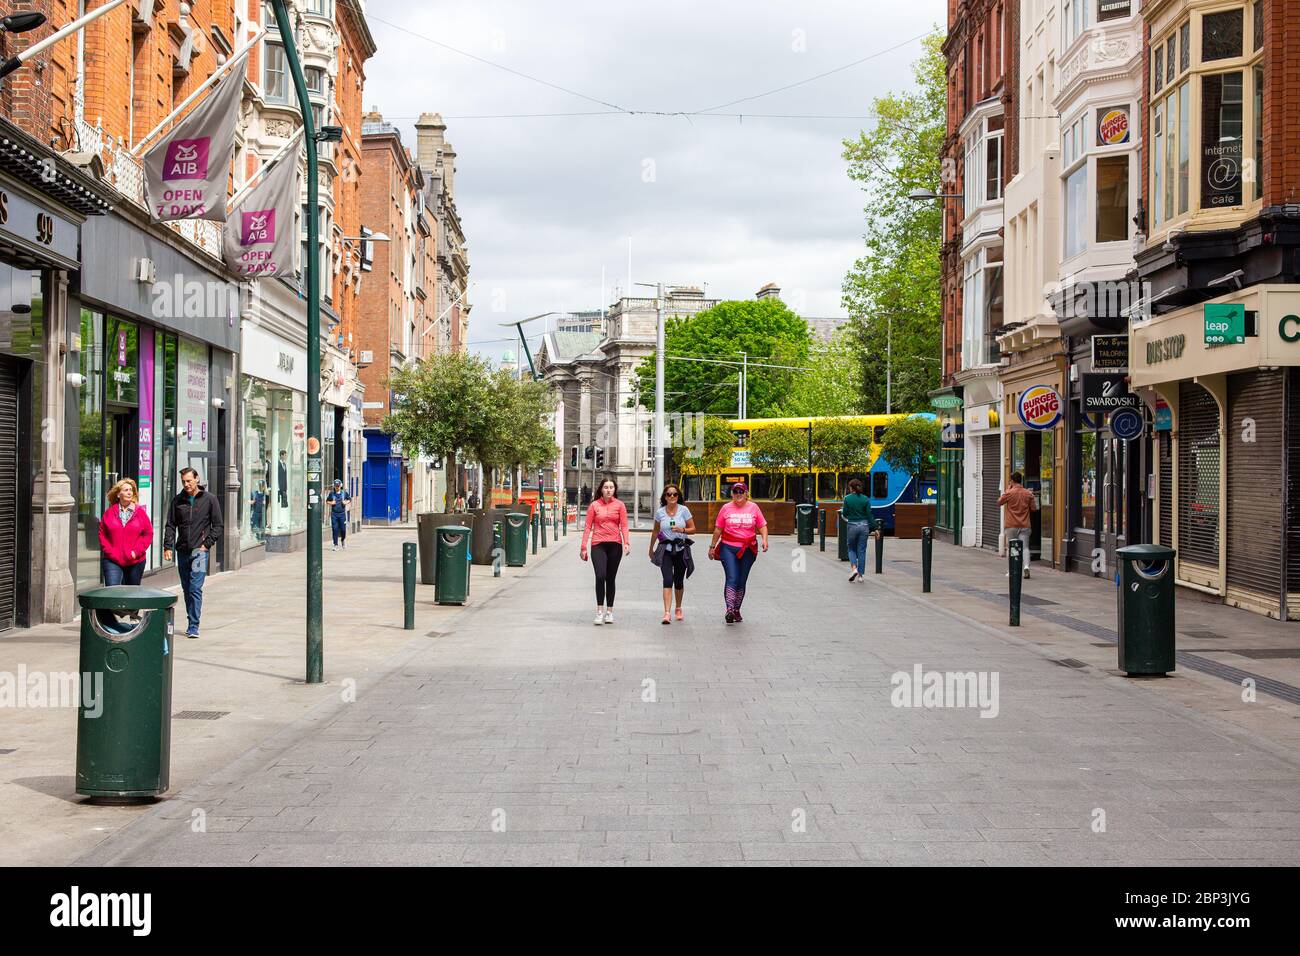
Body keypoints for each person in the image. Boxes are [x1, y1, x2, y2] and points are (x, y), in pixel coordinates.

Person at [164, 467, 224, 639]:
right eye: (183, 481)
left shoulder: (210, 499)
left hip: (199, 551)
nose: (186, 484)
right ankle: (192, 620)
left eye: (189, 480)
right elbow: (170, 525)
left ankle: (193, 625)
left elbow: (218, 526)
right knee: (186, 588)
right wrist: (167, 546)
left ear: (197, 479)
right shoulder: (178, 500)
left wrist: (206, 545)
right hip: (182, 551)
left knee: (195, 588)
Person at [708, 481, 768, 624]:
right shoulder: (726, 508)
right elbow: (718, 529)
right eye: (736, 492)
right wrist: (712, 546)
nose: (738, 495)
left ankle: (736, 609)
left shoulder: (754, 507)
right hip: (728, 547)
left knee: (741, 580)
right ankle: (729, 609)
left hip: (749, 549)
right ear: (732, 494)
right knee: (732, 578)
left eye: (741, 492)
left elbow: (762, 525)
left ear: (747, 493)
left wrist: (765, 540)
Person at [580, 476, 629, 625]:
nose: (608, 490)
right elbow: (588, 526)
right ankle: (599, 611)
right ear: (601, 489)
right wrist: (583, 547)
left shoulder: (620, 505)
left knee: (610, 578)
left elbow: (624, 525)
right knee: (600, 576)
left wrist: (626, 542)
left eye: (611, 487)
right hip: (598, 544)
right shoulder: (594, 505)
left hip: (615, 544)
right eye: (606, 487)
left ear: (615, 490)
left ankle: (609, 612)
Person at [649, 483, 696, 625]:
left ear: (678, 496)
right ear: (665, 497)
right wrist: (651, 548)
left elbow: (693, 529)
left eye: (674, 494)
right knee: (667, 579)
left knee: (679, 581)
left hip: (681, 549)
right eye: (669, 494)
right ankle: (667, 613)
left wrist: (682, 530)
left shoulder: (684, 510)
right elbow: (656, 531)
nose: (672, 496)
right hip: (666, 550)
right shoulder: (660, 512)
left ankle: (678, 607)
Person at [98, 478, 153, 586]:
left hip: (135, 561)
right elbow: (102, 535)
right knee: (112, 592)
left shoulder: (140, 513)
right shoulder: (109, 513)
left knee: (131, 594)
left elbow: (148, 533)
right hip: (112, 560)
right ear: (118, 494)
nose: (129, 492)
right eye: (126, 490)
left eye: (131, 490)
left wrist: (136, 552)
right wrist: (111, 552)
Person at [998, 471, 1038, 579]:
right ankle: (1026, 567)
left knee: (1012, 548)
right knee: (1025, 547)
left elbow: (999, 502)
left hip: (1011, 525)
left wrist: (1007, 490)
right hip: (1025, 524)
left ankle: (1012, 570)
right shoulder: (1028, 493)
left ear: (1011, 481)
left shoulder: (1009, 493)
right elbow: (1034, 508)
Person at [841, 477, 874, 583]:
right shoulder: (865, 499)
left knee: (851, 549)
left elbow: (844, 513)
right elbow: (869, 515)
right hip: (864, 526)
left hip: (852, 526)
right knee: (862, 550)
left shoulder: (847, 499)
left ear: (851, 488)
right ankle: (860, 576)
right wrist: (875, 528)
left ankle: (854, 569)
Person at [326, 478, 351, 550]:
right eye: (336, 486)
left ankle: (343, 540)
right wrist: (331, 503)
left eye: (338, 486)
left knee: (343, 529)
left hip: (342, 514)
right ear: (334, 486)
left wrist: (345, 502)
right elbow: (327, 501)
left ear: (341, 486)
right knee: (335, 529)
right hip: (334, 514)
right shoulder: (331, 494)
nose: (337, 487)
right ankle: (335, 544)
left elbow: (349, 499)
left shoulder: (344, 493)